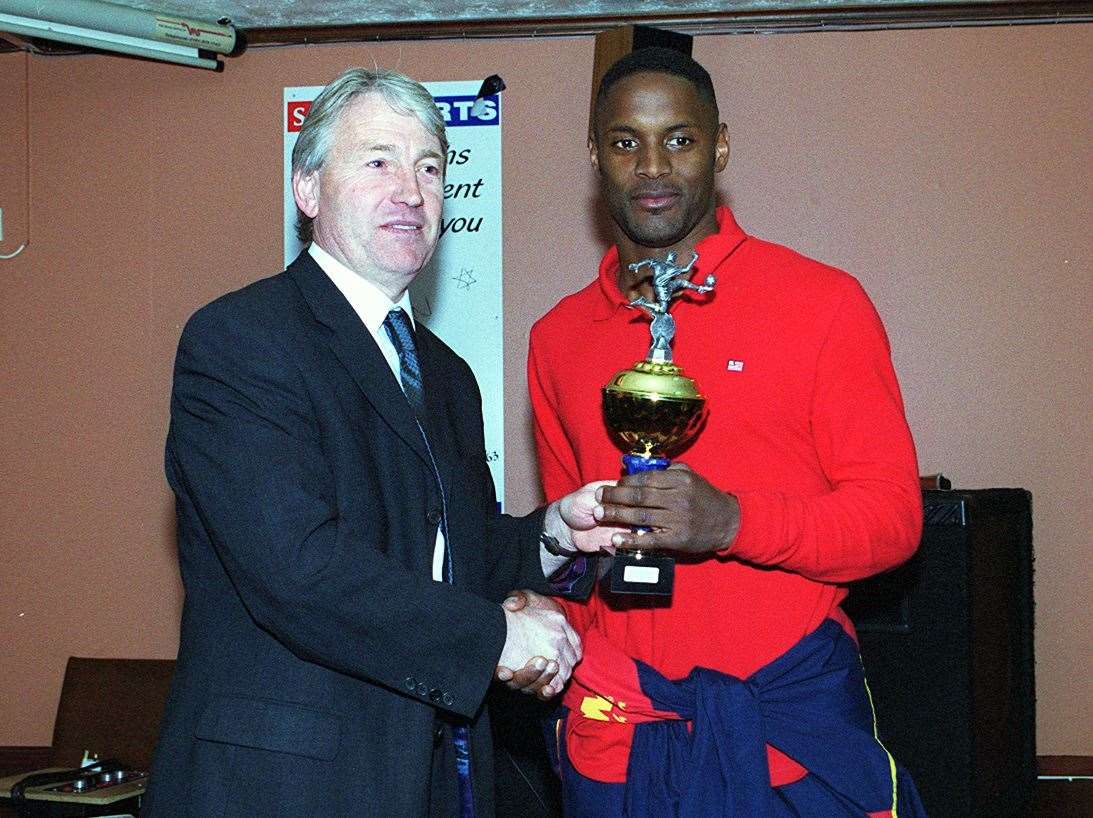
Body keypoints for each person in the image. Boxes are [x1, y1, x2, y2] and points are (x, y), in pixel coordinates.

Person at [144, 67, 617, 818]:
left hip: (432, 777)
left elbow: (446, 555)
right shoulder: (240, 340)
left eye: (429, 167)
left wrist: (554, 535)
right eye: (378, 161)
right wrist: (494, 634)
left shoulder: (445, 374)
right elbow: (295, 570)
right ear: (307, 189)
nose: (411, 189)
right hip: (283, 788)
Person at [526, 47, 928, 816]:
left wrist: (730, 522)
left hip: (787, 726)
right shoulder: (557, 337)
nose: (651, 166)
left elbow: (891, 522)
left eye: (678, 138)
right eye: (623, 141)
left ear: (719, 146)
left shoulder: (822, 303)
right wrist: (538, 620)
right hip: (620, 732)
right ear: (594, 156)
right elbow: (569, 554)